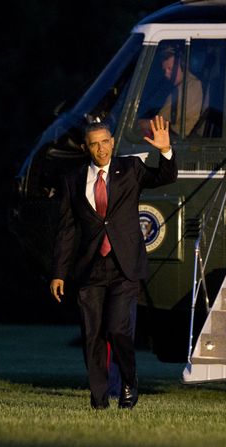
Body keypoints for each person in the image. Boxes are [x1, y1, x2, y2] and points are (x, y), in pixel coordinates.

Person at [49, 116, 176, 410]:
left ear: (113, 142)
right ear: (86, 148)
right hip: (89, 269)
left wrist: (166, 151)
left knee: (118, 329)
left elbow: (165, 177)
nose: (101, 149)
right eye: (94, 144)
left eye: (105, 142)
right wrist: (58, 273)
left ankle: (129, 382)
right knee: (92, 334)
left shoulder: (130, 168)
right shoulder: (73, 180)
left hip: (124, 266)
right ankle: (99, 397)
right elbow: (66, 230)